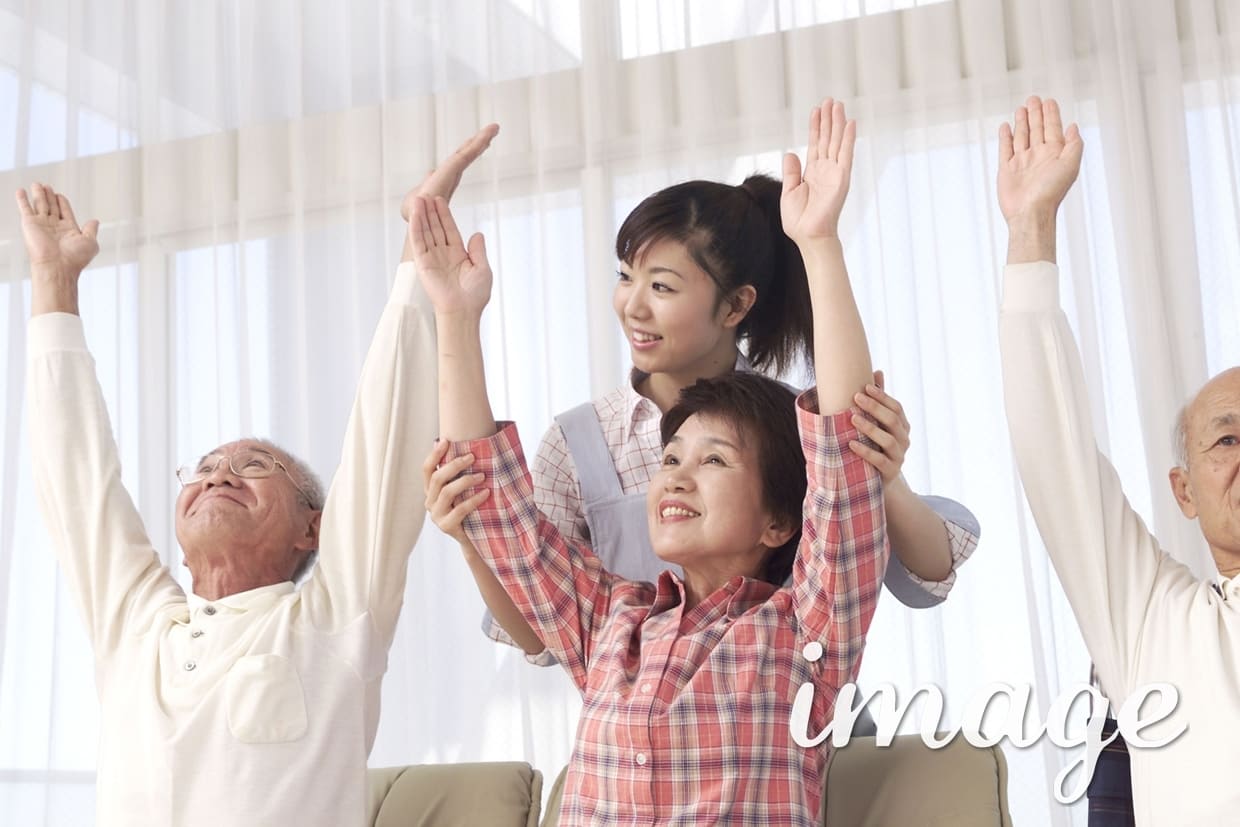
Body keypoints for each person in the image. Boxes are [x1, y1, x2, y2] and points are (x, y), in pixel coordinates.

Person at [421, 99, 887, 825]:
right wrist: (454, 312)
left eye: (712, 460)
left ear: (775, 520)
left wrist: (819, 242)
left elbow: (844, 456)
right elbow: (496, 507)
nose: (674, 472)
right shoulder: (611, 622)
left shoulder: (806, 629)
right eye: (671, 456)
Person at [18, 125, 496, 827]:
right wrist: (54, 283)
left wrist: (416, 264)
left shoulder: (332, 617)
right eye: (206, 467)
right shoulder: (138, 624)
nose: (219, 475)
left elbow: (383, 440)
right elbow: (76, 478)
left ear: (315, 526)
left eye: (254, 465)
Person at [437, 133, 979, 671]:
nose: (633, 307)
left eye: (663, 287)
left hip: (792, 716)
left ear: (736, 305)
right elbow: (541, 610)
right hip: (639, 727)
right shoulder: (579, 448)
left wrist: (879, 475)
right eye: (626, 278)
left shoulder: (801, 427)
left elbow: (916, 569)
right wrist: (473, 538)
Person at [998, 95, 1240, 824]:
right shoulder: (1154, 620)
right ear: (1185, 489)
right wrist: (1030, 227)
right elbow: (1055, 452)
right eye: (1228, 440)